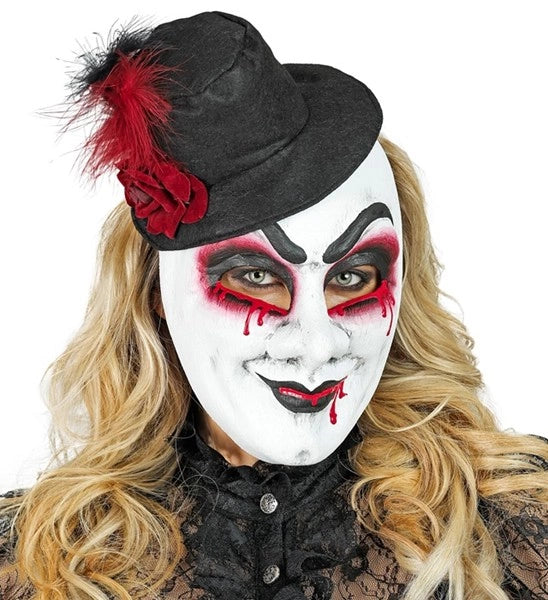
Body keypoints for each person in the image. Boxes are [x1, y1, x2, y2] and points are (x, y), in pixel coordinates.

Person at [0, 10, 546, 600]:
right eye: (257, 276)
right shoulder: (35, 562)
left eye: (352, 277)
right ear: (156, 293)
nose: (317, 343)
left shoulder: (518, 530)